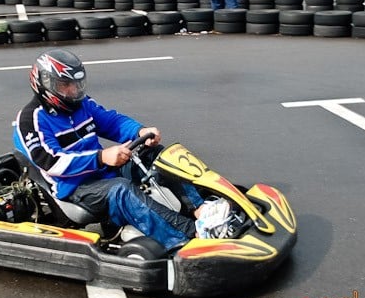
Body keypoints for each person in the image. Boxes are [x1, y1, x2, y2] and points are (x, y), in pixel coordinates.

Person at [13, 49, 224, 251]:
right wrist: (101, 157)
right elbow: (51, 162)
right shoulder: (31, 118)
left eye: (77, 84)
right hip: (74, 189)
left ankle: (202, 209)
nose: (73, 91)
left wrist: (140, 131)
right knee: (120, 189)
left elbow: (112, 122)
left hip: (102, 172)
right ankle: (191, 236)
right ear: (45, 83)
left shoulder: (82, 105)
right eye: (66, 85)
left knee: (157, 154)